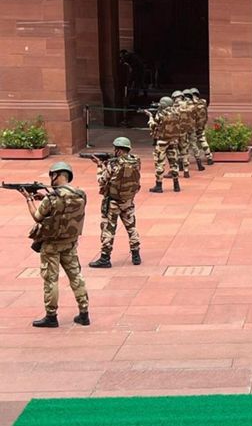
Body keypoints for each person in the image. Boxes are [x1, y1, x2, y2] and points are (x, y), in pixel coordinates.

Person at [19, 162, 90, 328]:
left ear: (56, 175)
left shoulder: (51, 198)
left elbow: (37, 216)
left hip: (51, 244)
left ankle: (51, 316)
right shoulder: (80, 194)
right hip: (70, 242)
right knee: (76, 276)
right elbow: (64, 209)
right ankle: (84, 312)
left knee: (51, 280)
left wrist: (29, 199)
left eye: (52, 175)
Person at [88, 137, 142, 268]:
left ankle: (105, 258)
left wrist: (100, 166)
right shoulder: (136, 161)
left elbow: (102, 181)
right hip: (128, 200)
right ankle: (136, 255)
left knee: (108, 229)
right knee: (131, 227)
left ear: (119, 150)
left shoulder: (113, 165)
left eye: (116, 149)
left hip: (113, 202)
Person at [146, 96, 181, 193]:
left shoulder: (161, 114)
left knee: (160, 163)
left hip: (162, 142)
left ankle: (159, 185)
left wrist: (150, 117)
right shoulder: (177, 112)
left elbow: (153, 126)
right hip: (173, 141)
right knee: (174, 163)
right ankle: (176, 185)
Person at [188, 88, 213, 166]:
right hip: (201, 125)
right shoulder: (203, 102)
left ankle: (192, 159)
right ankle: (209, 157)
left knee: (191, 143)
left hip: (193, 126)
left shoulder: (190, 104)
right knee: (203, 141)